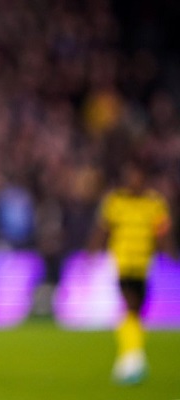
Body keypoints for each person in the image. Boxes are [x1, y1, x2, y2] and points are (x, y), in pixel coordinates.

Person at [87, 157, 175, 385]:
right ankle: (133, 360)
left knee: (136, 312)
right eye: (130, 176)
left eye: (137, 176)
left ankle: (130, 357)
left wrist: (169, 253)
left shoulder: (154, 203)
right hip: (124, 263)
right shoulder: (116, 201)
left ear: (143, 179)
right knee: (131, 306)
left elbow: (163, 232)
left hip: (144, 264)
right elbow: (103, 229)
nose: (133, 180)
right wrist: (93, 250)